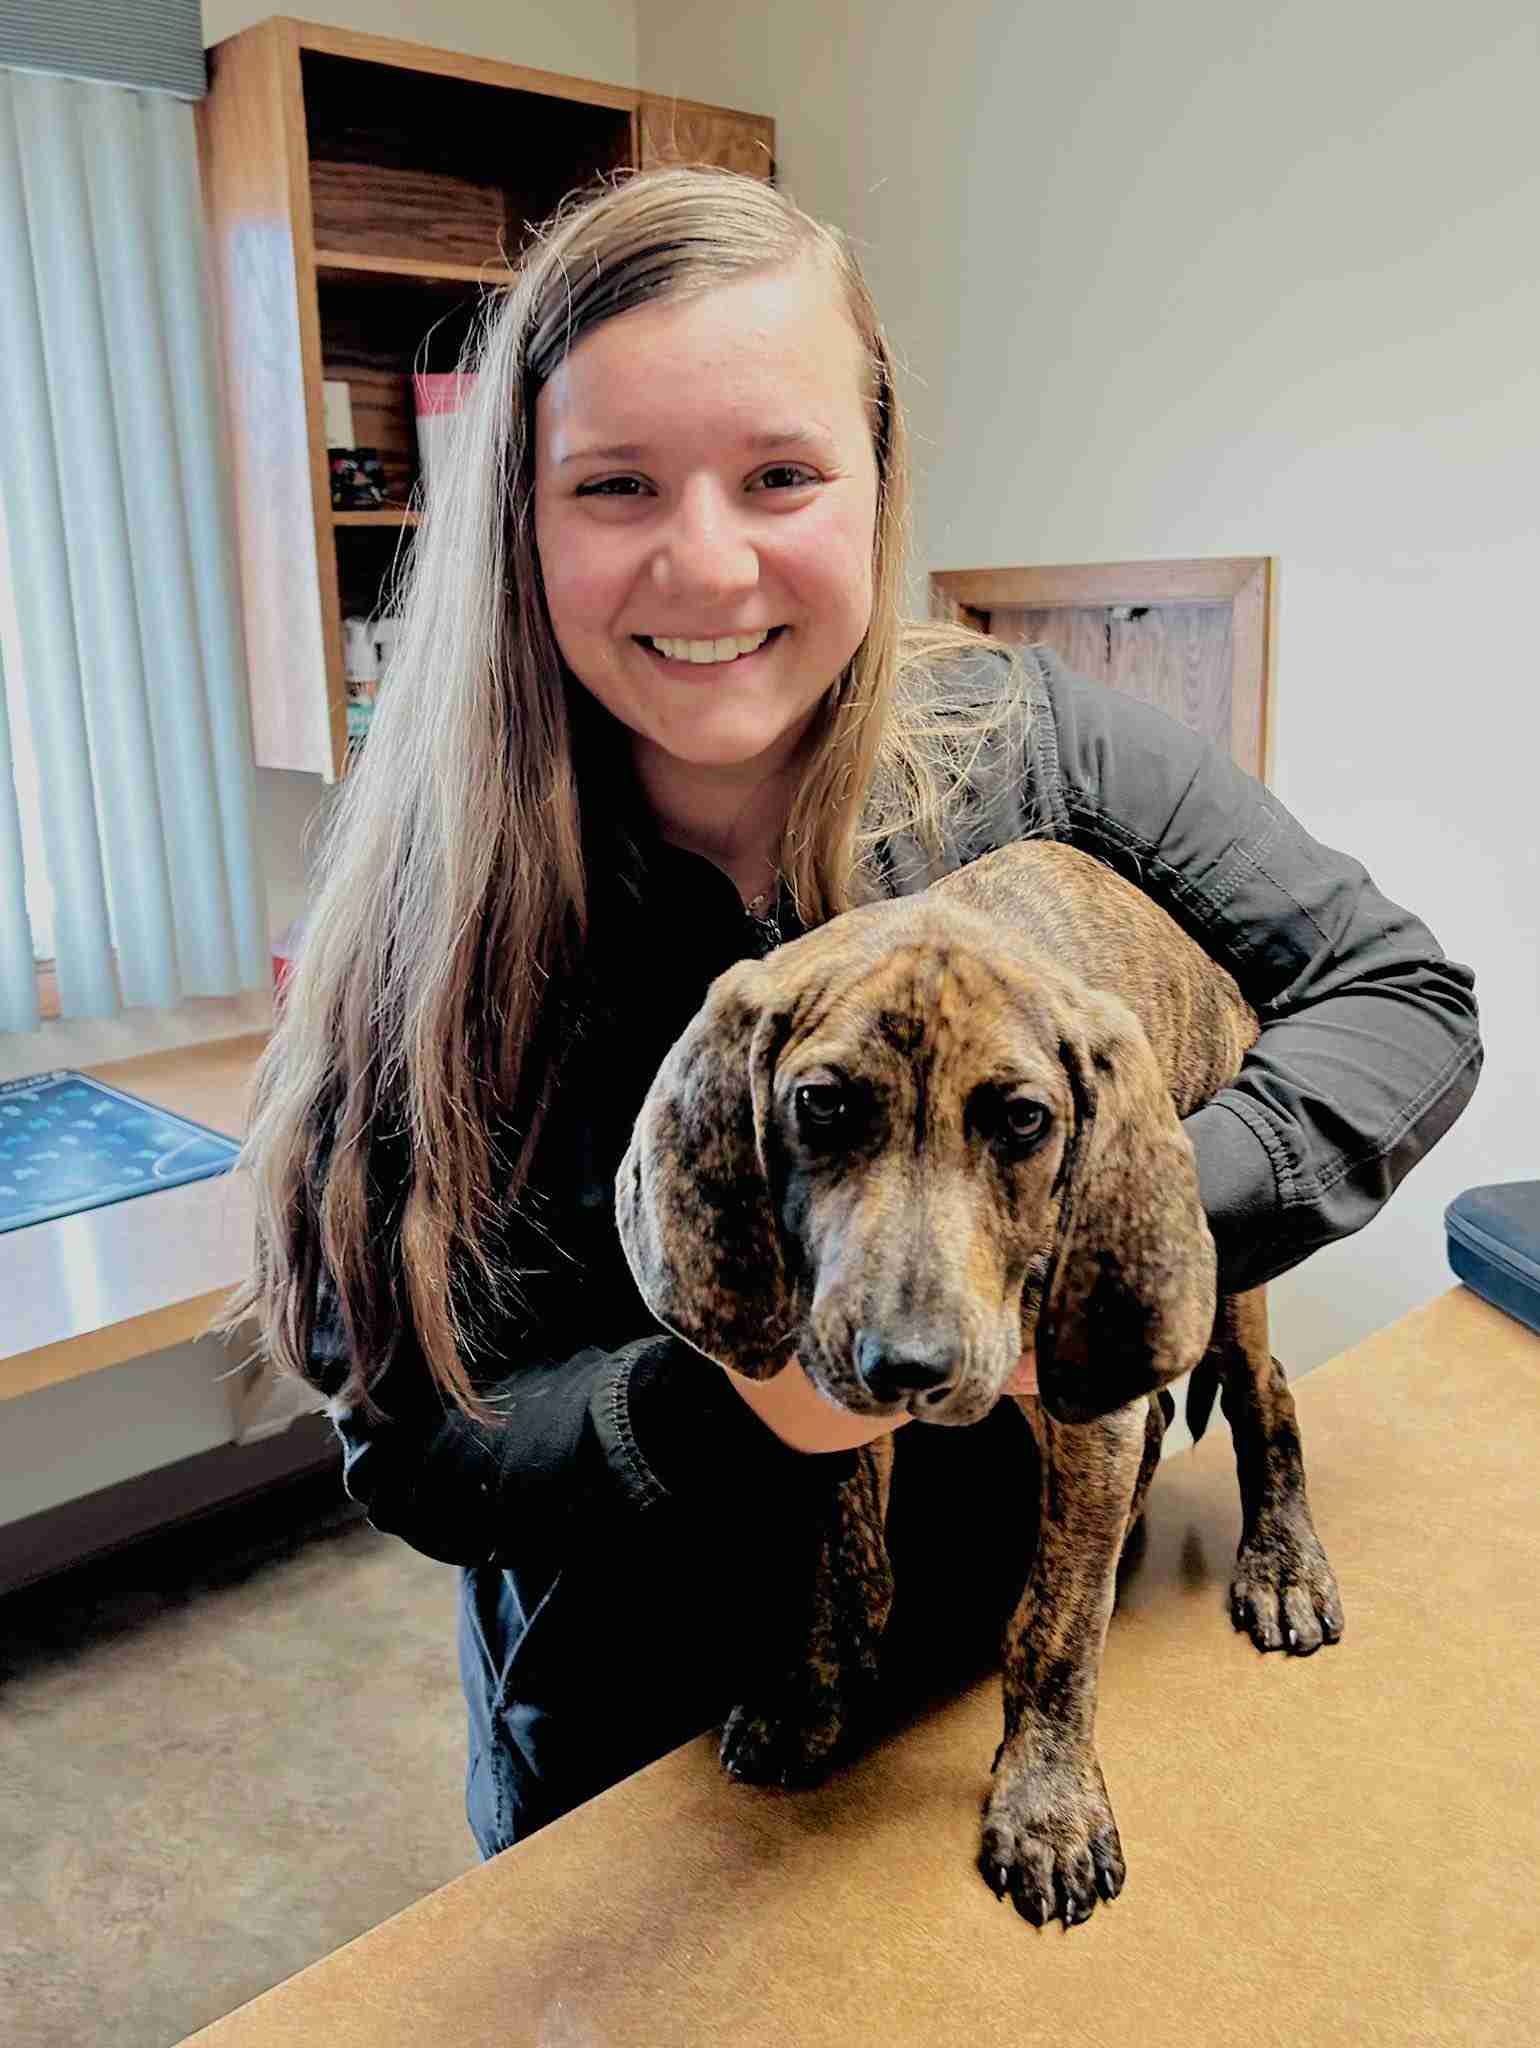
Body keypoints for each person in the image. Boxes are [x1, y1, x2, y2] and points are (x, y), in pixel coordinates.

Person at [223, 167, 1482, 1861]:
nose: (708, 557)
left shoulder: (1041, 751)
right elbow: (419, 1448)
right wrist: (740, 1400)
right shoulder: (426, 922)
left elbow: (1401, 997)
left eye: (781, 474)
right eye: (614, 485)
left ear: (878, 485)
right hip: (634, 1743)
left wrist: (1112, 1225)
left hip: (1002, 1674)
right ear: (516, 517)